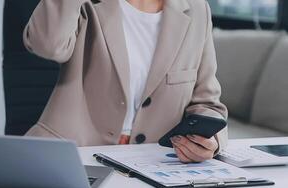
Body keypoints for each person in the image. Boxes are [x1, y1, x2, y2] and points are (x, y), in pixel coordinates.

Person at [23, 0, 228, 163]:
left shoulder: (197, 9)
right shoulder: (88, 4)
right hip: (73, 157)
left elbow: (208, 104)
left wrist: (211, 142)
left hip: (154, 165)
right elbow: (47, 45)